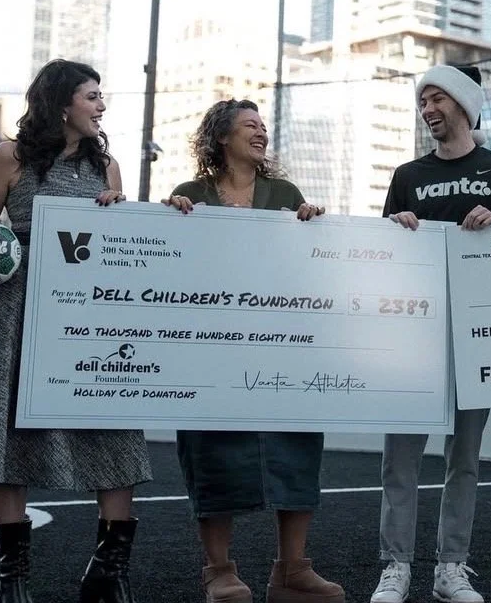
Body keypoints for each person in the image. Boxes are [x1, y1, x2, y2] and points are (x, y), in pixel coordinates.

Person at [0, 59, 152, 603]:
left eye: (102, 96)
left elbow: (122, 250)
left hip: (91, 312)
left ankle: (110, 571)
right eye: (92, 95)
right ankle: (14, 580)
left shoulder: (109, 167)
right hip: (18, 305)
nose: (102, 105)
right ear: (62, 103)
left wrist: (116, 213)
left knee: (112, 426)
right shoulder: (8, 156)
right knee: (7, 433)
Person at [163, 98, 343, 603]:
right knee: (210, 450)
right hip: (211, 350)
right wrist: (169, 221)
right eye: (250, 126)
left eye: (264, 126)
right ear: (222, 137)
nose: (261, 133)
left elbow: (304, 263)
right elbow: (170, 264)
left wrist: (310, 223)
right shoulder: (189, 195)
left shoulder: (285, 193)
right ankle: (219, 572)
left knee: (297, 444)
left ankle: (292, 571)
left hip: (282, 347)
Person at [371, 65, 491, 603]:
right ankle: (395, 566)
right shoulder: (406, 175)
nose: (428, 110)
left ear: (465, 103)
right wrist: (395, 230)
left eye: (437, 98)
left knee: (463, 458)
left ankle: (451, 567)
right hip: (414, 338)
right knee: (400, 458)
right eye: (423, 102)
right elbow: (383, 257)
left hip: (477, 335)